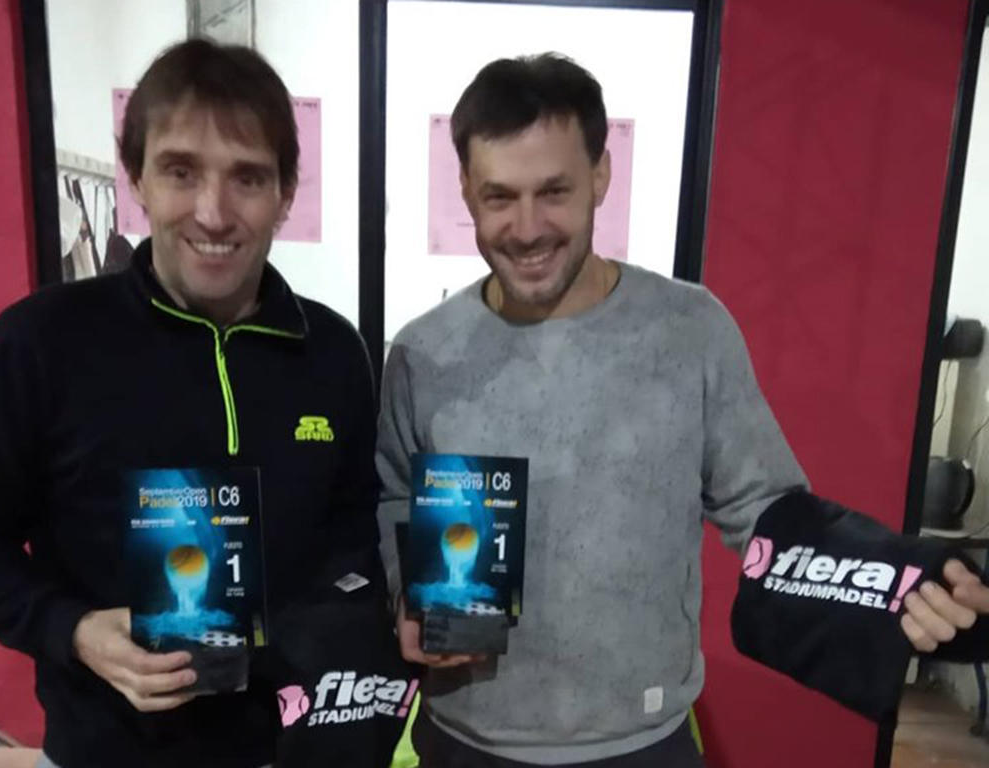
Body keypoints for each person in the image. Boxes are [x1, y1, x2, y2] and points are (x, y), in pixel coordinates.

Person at [375, 53, 989, 767]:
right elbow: (393, 495)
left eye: (554, 191)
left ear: (601, 175)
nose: (528, 227)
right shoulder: (423, 352)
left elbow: (765, 507)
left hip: (643, 742)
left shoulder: (690, 329)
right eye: (499, 196)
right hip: (462, 741)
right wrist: (403, 594)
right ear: (465, 189)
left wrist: (895, 580)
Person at [0, 39, 385, 768]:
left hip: (291, 751)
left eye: (247, 177)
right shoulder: (40, 343)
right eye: (181, 171)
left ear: (286, 193)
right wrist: (73, 630)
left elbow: (353, 533)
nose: (214, 214)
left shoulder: (333, 353)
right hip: (101, 754)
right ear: (137, 179)